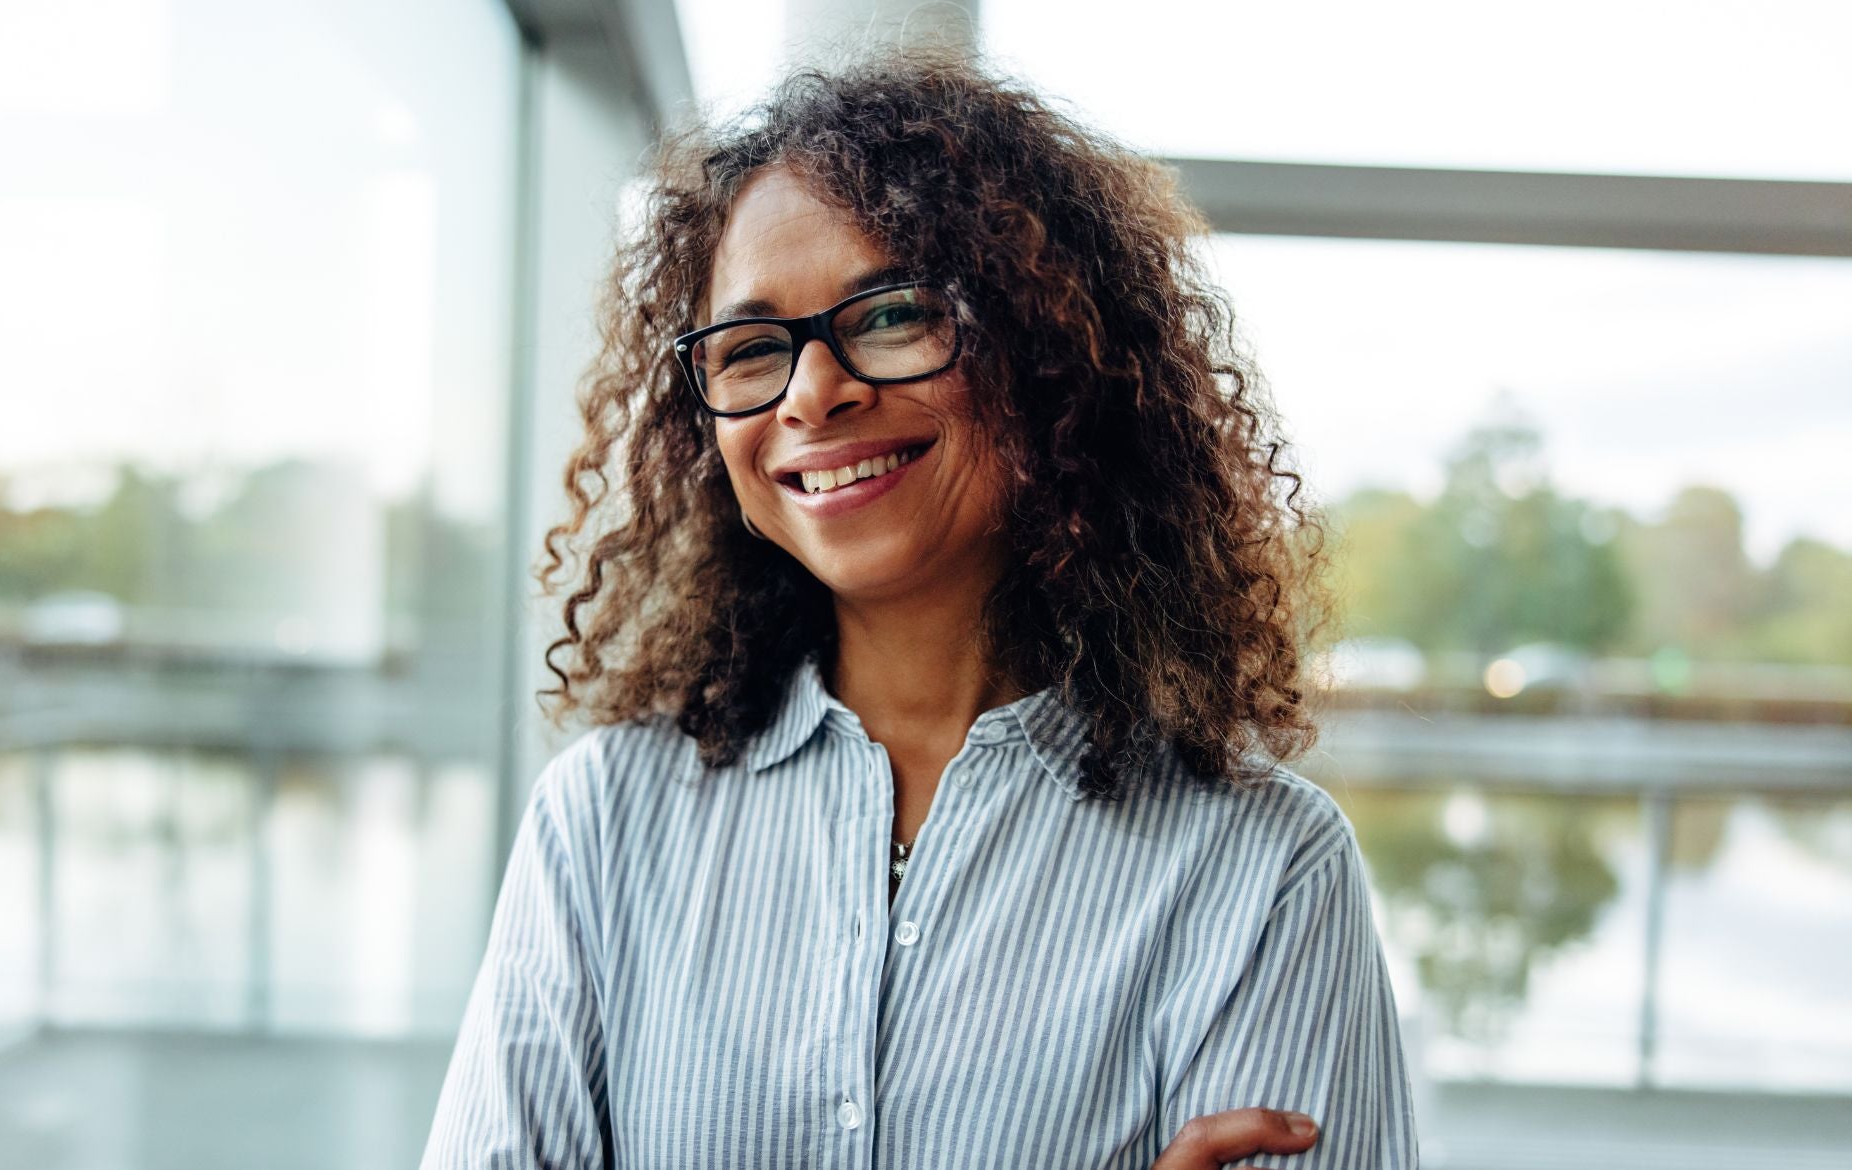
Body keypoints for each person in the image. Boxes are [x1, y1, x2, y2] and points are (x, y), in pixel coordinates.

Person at [421, 45, 1420, 1170]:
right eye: (751, 348)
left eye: (891, 315)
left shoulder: (1263, 872)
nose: (813, 392)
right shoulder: (603, 826)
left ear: (1049, 355)